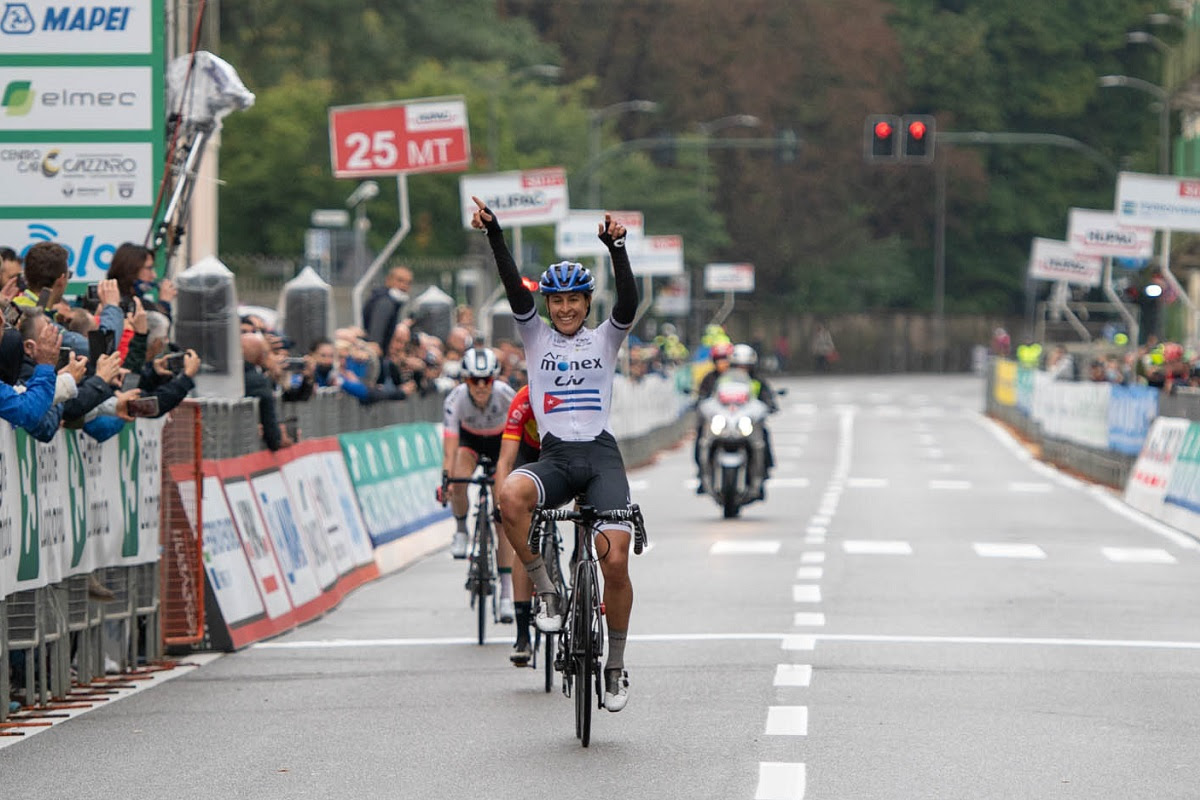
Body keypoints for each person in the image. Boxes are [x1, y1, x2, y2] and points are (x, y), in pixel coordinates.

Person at [473, 195, 638, 713]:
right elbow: (509, 281)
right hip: (557, 457)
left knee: (614, 559)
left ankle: (614, 667)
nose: (565, 309)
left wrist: (616, 249)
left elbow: (630, 302)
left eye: (574, 301)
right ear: (547, 306)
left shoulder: (607, 340)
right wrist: (495, 234)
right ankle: (545, 588)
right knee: (510, 496)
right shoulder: (534, 334)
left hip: (601, 456)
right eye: (557, 301)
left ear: (587, 304)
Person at [437, 348, 516, 582]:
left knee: (502, 511)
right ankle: (461, 530)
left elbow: (520, 432)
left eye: (487, 380)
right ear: (465, 380)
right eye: (474, 380)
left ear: (494, 379)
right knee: (458, 480)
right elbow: (450, 449)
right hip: (469, 441)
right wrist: (447, 479)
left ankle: (505, 593)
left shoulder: (505, 394)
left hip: (499, 443)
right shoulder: (455, 399)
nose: (481, 386)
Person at [494, 382, 542, 666]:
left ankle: (577, 560)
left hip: (563, 452)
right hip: (528, 455)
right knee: (525, 542)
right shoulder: (523, 398)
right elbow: (505, 461)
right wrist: (503, 504)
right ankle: (523, 635)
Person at [693, 341, 734, 492]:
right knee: (701, 439)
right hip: (716, 422)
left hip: (737, 420)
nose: (723, 363)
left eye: (726, 360)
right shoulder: (708, 379)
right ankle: (703, 473)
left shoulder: (739, 377)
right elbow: (700, 398)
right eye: (719, 360)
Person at [362, 265, 413, 348]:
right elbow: (376, 331)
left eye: (408, 283)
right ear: (389, 279)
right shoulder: (385, 302)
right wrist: (375, 343)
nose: (404, 286)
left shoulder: (392, 302)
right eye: (400, 280)